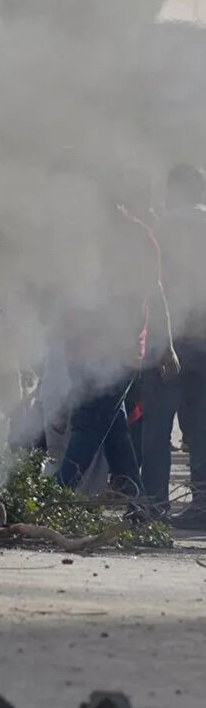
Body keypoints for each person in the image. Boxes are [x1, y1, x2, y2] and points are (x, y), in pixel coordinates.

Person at [55, 193, 178, 511]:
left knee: (89, 422)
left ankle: (56, 498)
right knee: (114, 430)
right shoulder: (78, 236)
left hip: (117, 350)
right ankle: (140, 506)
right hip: (81, 348)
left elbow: (154, 291)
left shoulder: (136, 237)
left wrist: (166, 347)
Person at [142, 165, 206, 526]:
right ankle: (202, 506)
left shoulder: (164, 228)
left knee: (157, 429)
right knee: (200, 430)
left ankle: (154, 506)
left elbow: (155, 284)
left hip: (172, 339)